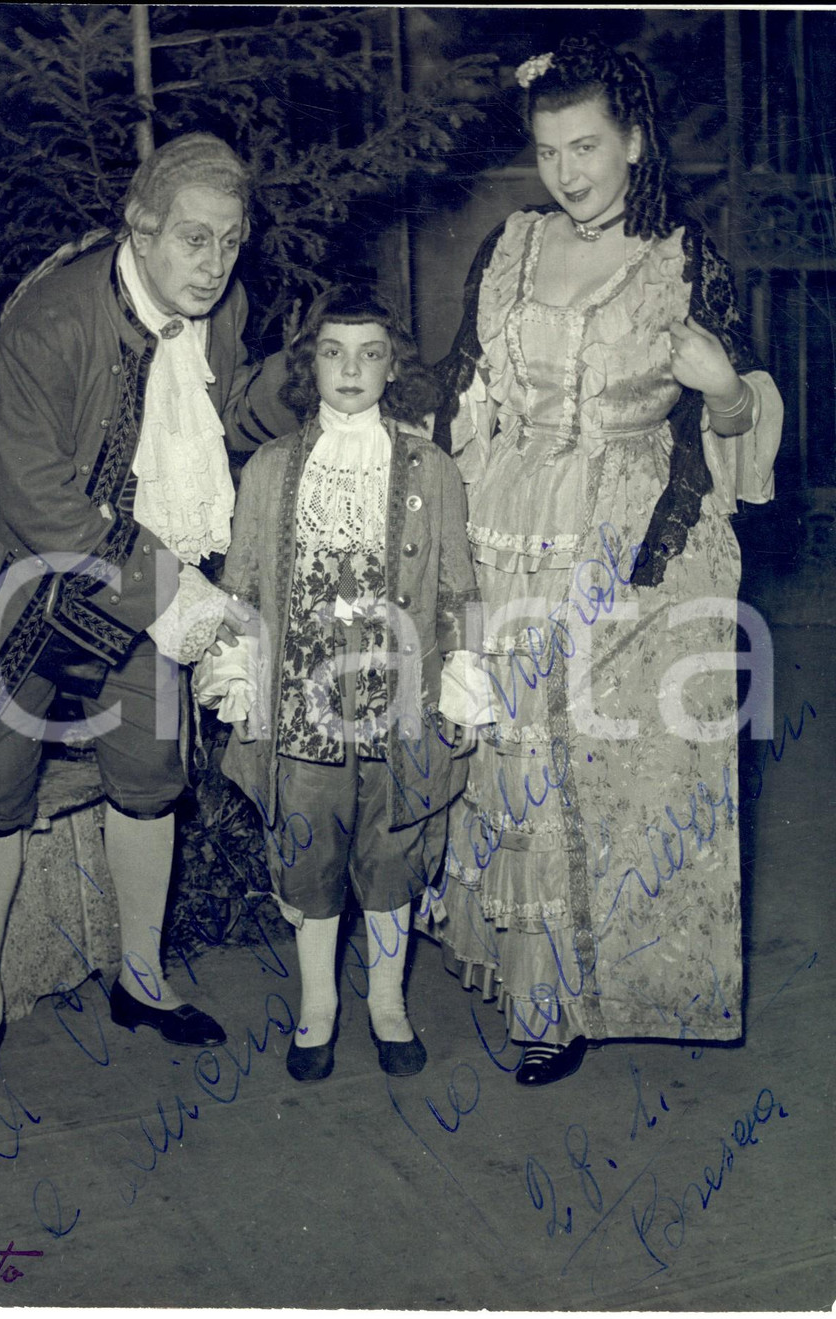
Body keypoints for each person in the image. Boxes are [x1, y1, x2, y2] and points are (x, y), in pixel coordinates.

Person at [0, 132, 297, 1088]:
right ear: (139, 230)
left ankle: (140, 978)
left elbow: (215, 425)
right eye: (192, 240)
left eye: (229, 242)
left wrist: (292, 390)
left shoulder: (223, 307)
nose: (213, 265)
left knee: (149, 771)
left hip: (134, 571)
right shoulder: (52, 320)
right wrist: (162, 587)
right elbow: (35, 489)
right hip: (16, 577)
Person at [428, 36, 784, 1086]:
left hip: (616, 534)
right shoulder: (514, 244)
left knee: (579, 756)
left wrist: (719, 389)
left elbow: (743, 409)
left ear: (633, 141)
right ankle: (525, 977)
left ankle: (573, 998)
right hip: (503, 516)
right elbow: (463, 381)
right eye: (547, 152)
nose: (567, 172)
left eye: (586, 147)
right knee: (502, 747)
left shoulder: (681, 260)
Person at [194, 285, 483, 1082]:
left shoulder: (431, 468)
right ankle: (318, 1000)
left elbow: (458, 587)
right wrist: (237, 670)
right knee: (308, 850)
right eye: (332, 352)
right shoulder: (272, 469)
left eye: (369, 354)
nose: (350, 370)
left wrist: (461, 671)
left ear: (394, 367)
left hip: (399, 703)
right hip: (302, 707)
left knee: (392, 853)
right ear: (308, 363)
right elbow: (243, 585)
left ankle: (387, 1000)